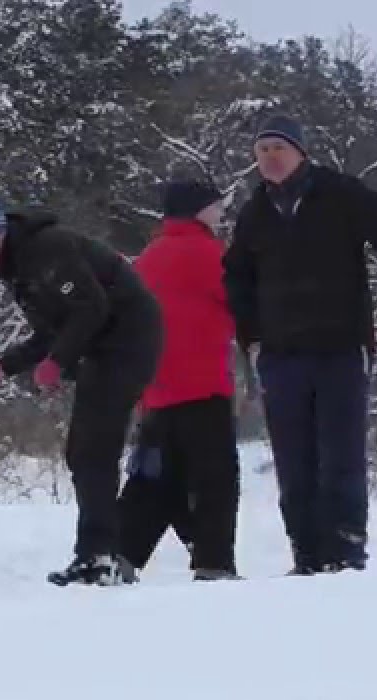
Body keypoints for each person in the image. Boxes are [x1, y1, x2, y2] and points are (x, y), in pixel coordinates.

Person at [223, 115, 377, 575]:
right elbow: (237, 281)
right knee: (293, 461)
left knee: (340, 455)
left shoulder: (337, 194)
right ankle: (305, 553)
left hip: (340, 347)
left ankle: (344, 551)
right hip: (281, 356)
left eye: (278, 148)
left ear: (300, 152)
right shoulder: (254, 214)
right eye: (261, 152)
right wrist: (252, 339)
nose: (270, 158)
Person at [0, 200, 163, 587]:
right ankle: (99, 554)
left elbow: (91, 308)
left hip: (128, 341)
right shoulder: (19, 269)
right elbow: (52, 331)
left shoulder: (46, 249)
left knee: (92, 449)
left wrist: (57, 360)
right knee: (83, 452)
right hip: (104, 348)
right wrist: (1, 367)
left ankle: (100, 560)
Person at [117, 180, 242, 582]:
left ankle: (120, 552)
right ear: (199, 211)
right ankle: (214, 561)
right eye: (216, 207)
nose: (221, 214)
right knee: (215, 478)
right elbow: (243, 304)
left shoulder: (148, 257)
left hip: (155, 389)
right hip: (203, 385)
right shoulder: (211, 255)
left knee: (155, 476)